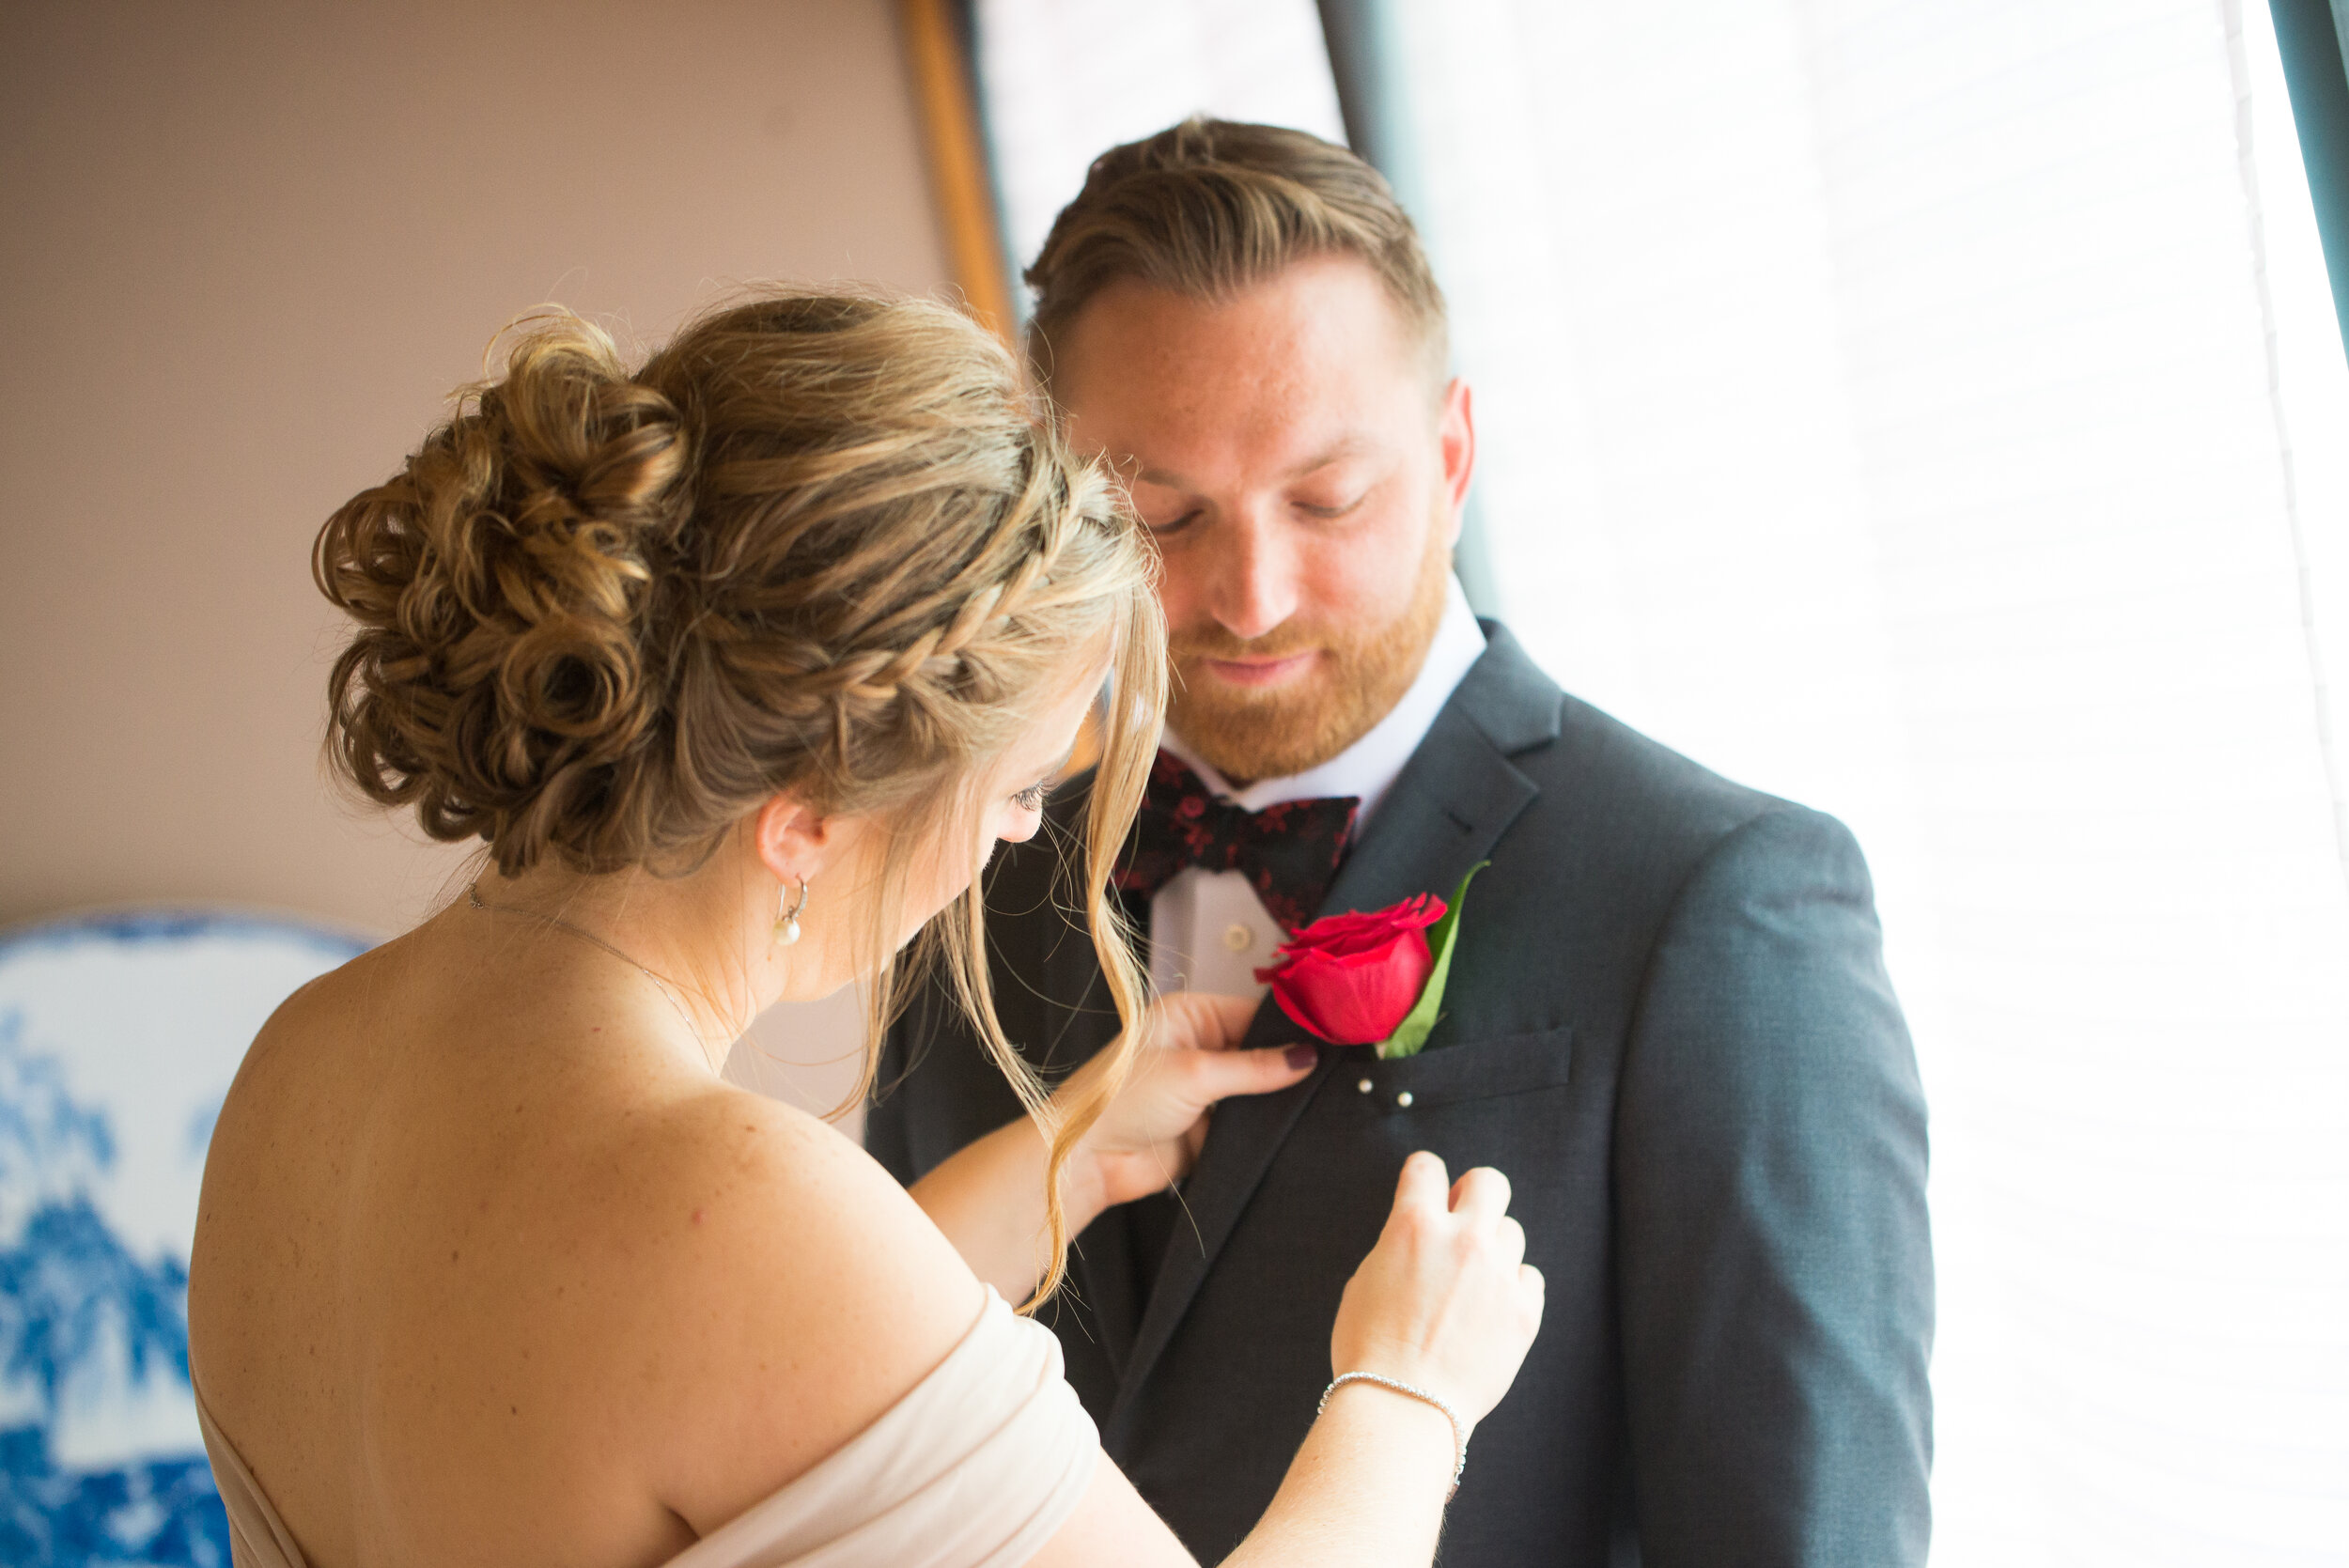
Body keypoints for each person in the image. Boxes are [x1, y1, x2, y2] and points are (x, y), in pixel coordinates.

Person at [185, 289, 1546, 1568]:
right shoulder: (722, 1203)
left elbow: (725, 1386)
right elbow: (747, 1303)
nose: (1020, 833)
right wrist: (1407, 1388)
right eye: (1013, 787)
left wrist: (1064, 1157)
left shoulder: (296, 1062)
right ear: (807, 819)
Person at [866, 119, 1935, 1567]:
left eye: (1328, 499)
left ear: (1451, 455)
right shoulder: (956, 880)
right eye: (1158, 512)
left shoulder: (1722, 901)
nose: (1249, 595)